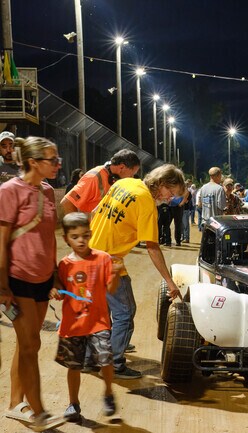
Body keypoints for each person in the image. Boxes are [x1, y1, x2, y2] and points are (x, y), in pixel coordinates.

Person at [89, 164, 185, 379]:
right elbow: (152, 247)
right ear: (161, 184)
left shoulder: (125, 182)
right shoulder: (146, 203)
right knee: (125, 312)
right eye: (170, 193)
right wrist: (170, 282)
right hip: (109, 263)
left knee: (100, 312)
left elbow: (95, 212)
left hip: (90, 255)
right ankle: (114, 363)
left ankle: (89, 358)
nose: (170, 199)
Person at [0, 136, 65, 431]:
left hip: (41, 278)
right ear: (33, 162)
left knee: (29, 345)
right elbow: (1, 240)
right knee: (29, 345)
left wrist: (54, 273)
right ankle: (37, 410)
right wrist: (2, 286)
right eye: (52, 159)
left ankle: (15, 404)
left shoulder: (48, 192)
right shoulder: (9, 191)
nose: (57, 163)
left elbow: (49, 236)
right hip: (17, 278)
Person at [53, 212, 122, 423]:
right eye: (75, 236)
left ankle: (108, 393)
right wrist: (55, 290)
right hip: (72, 325)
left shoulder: (102, 258)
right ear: (66, 238)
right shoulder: (64, 265)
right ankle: (73, 404)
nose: (80, 240)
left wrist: (116, 273)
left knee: (106, 358)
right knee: (74, 366)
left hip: (98, 322)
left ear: (90, 234)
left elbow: (110, 288)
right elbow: (59, 287)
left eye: (84, 235)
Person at [61, 149, 140, 215]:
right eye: (131, 174)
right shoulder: (93, 178)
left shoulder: (116, 179)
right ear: (122, 167)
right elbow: (67, 202)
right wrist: (78, 230)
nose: (131, 178)